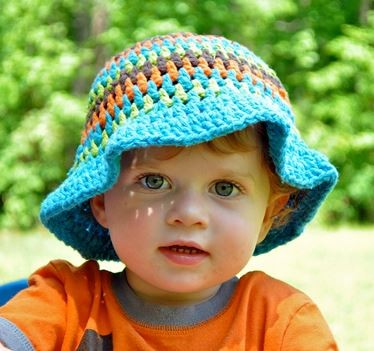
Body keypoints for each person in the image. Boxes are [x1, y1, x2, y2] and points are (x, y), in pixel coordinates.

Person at [0, 32, 339, 350]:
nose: (189, 214)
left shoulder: (282, 324)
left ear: (268, 214)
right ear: (100, 200)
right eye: (154, 181)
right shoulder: (64, 303)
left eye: (225, 187)